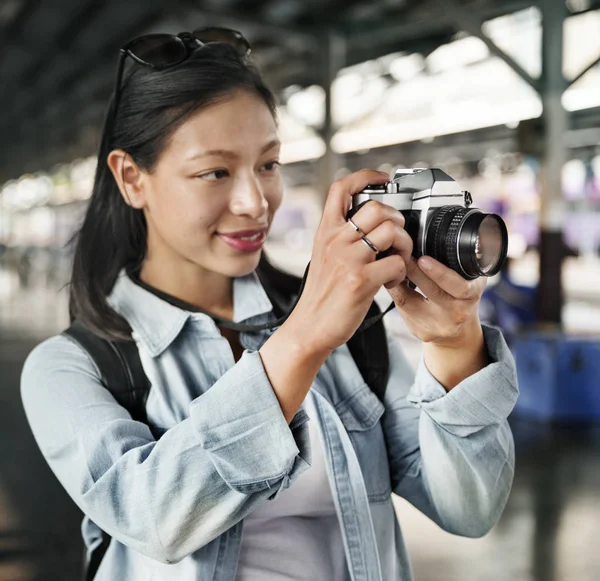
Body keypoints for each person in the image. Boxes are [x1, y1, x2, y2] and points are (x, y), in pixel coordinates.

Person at [21, 28, 519, 581]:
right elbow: (157, 520)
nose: (255, 202)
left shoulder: (350, 333)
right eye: (215, 171)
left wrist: (454, 346)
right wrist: (304, 337)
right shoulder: (71, 368)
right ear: (132, 178)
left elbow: (470, 511)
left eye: (269, 164)